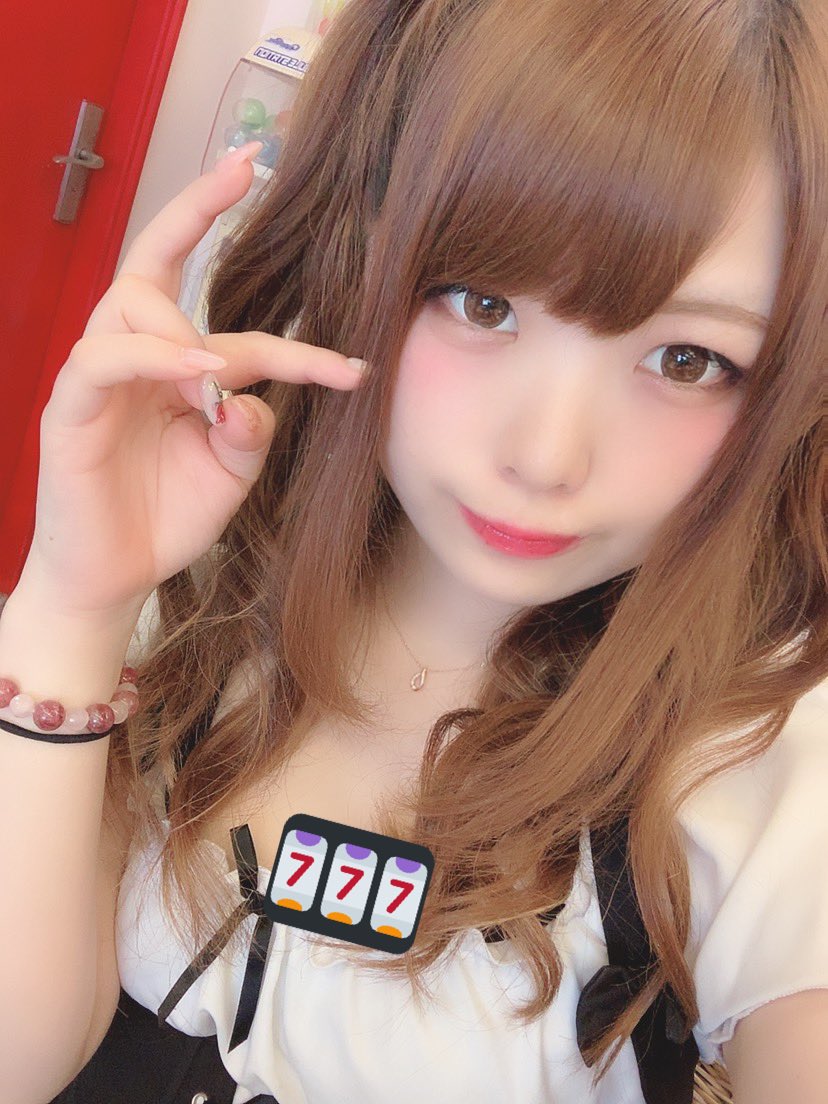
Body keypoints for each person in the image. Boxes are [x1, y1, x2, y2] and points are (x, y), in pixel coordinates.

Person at [0, 0, 825, 1101]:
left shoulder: (760, 746)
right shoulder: (194, 600)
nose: (545, 457)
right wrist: (72, 608)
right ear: (358, 255)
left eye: (687, 361)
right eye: (483, 304)